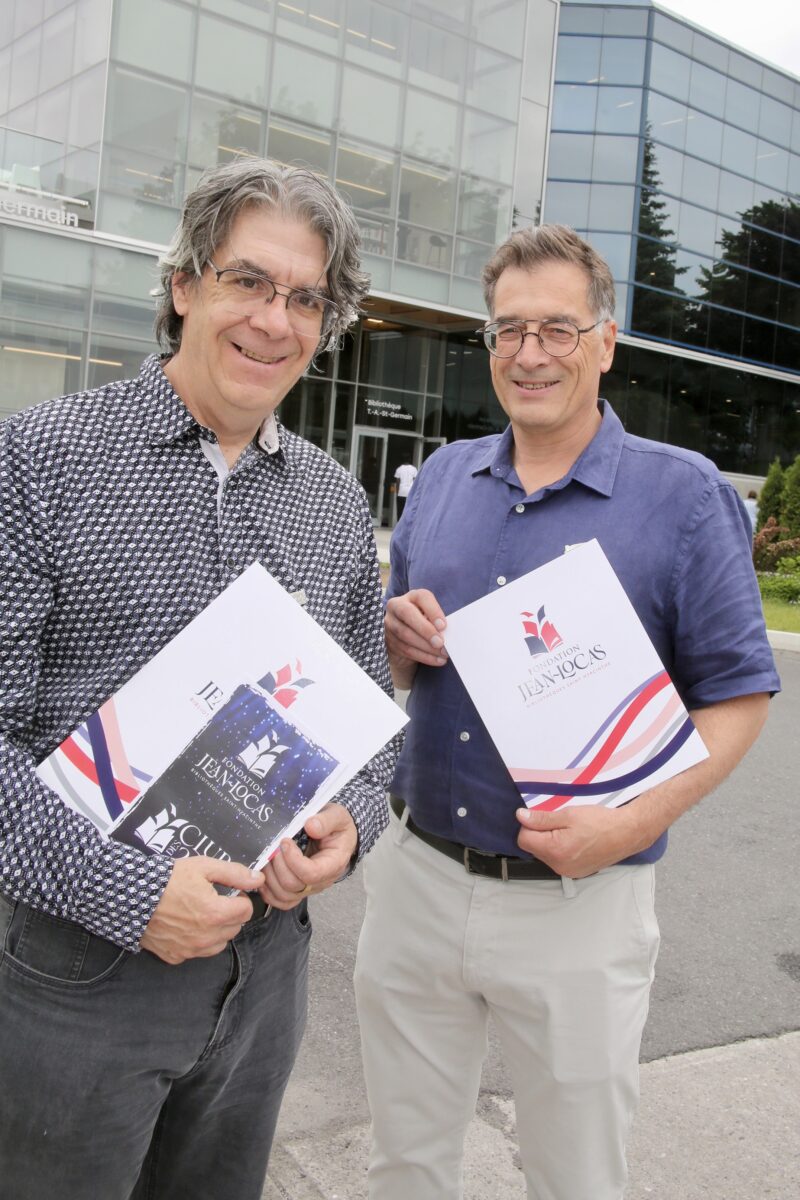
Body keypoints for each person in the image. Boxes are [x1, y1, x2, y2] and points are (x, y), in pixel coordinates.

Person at [354, 225, 780, 1200]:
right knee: (402, 1163)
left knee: (574, 1176)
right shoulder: (442, 482)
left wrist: (626, 827)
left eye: (555, 328)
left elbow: (738, 698)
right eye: (507, 330)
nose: (529, 353)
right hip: (414, 881)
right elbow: (403, 672)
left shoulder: (681, 499)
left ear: (603, 339)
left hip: (577, 905)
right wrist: (395, 643)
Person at [0, 158, 396, 1200]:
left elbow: (371, 728)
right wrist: (133, 893)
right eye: (248, 282)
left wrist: (349, 823)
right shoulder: (38, 461)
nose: (274, 321)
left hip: (263, 985)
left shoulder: (332, 504)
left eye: (304, 298)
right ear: (185, 284)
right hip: (73, 979)